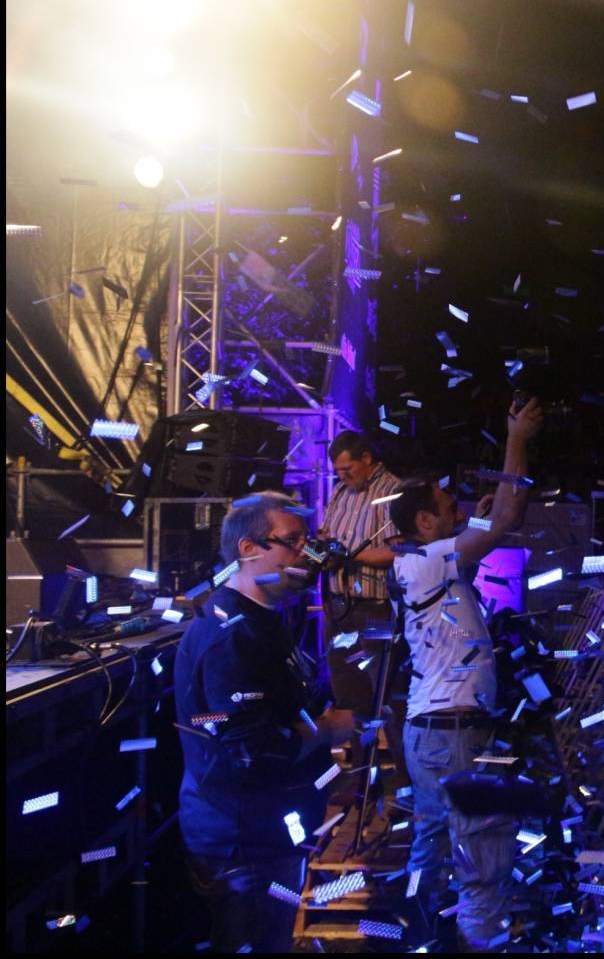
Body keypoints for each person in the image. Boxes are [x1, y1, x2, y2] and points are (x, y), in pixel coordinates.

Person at [386, 396, 543, 950]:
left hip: (430, 732)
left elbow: (492, 523)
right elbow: (506, 522)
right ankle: (477, 942)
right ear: (425, 522)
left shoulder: (417, 562)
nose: (459, 513)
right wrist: (516, 439)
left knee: (431, 847)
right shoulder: (428, 559)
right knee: (482, 857)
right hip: (453, 734)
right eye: (449, 508)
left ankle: (418, 936)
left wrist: (479, 517)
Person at [175, 491, 361, 953]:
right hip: (241, 841)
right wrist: (327, 730)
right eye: (293, 542)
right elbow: (252, 749)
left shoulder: (263, 620)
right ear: (248, 549)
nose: (306, 554)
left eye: (307, 542)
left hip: (268, 829)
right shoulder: (231, 637)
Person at [318, 431, 404, 713]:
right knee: (345, 692)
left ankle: (388, 741)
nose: (342, 476)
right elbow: (327, 539)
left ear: (366, 458)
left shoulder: (392, 490)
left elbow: (399, 552)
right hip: (338, 607)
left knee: (381, 694)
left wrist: (348, 556)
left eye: (347, 469)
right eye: (338, 471)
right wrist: (320, 553)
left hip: (375, 608)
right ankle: (354, 742)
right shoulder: (340, 491)